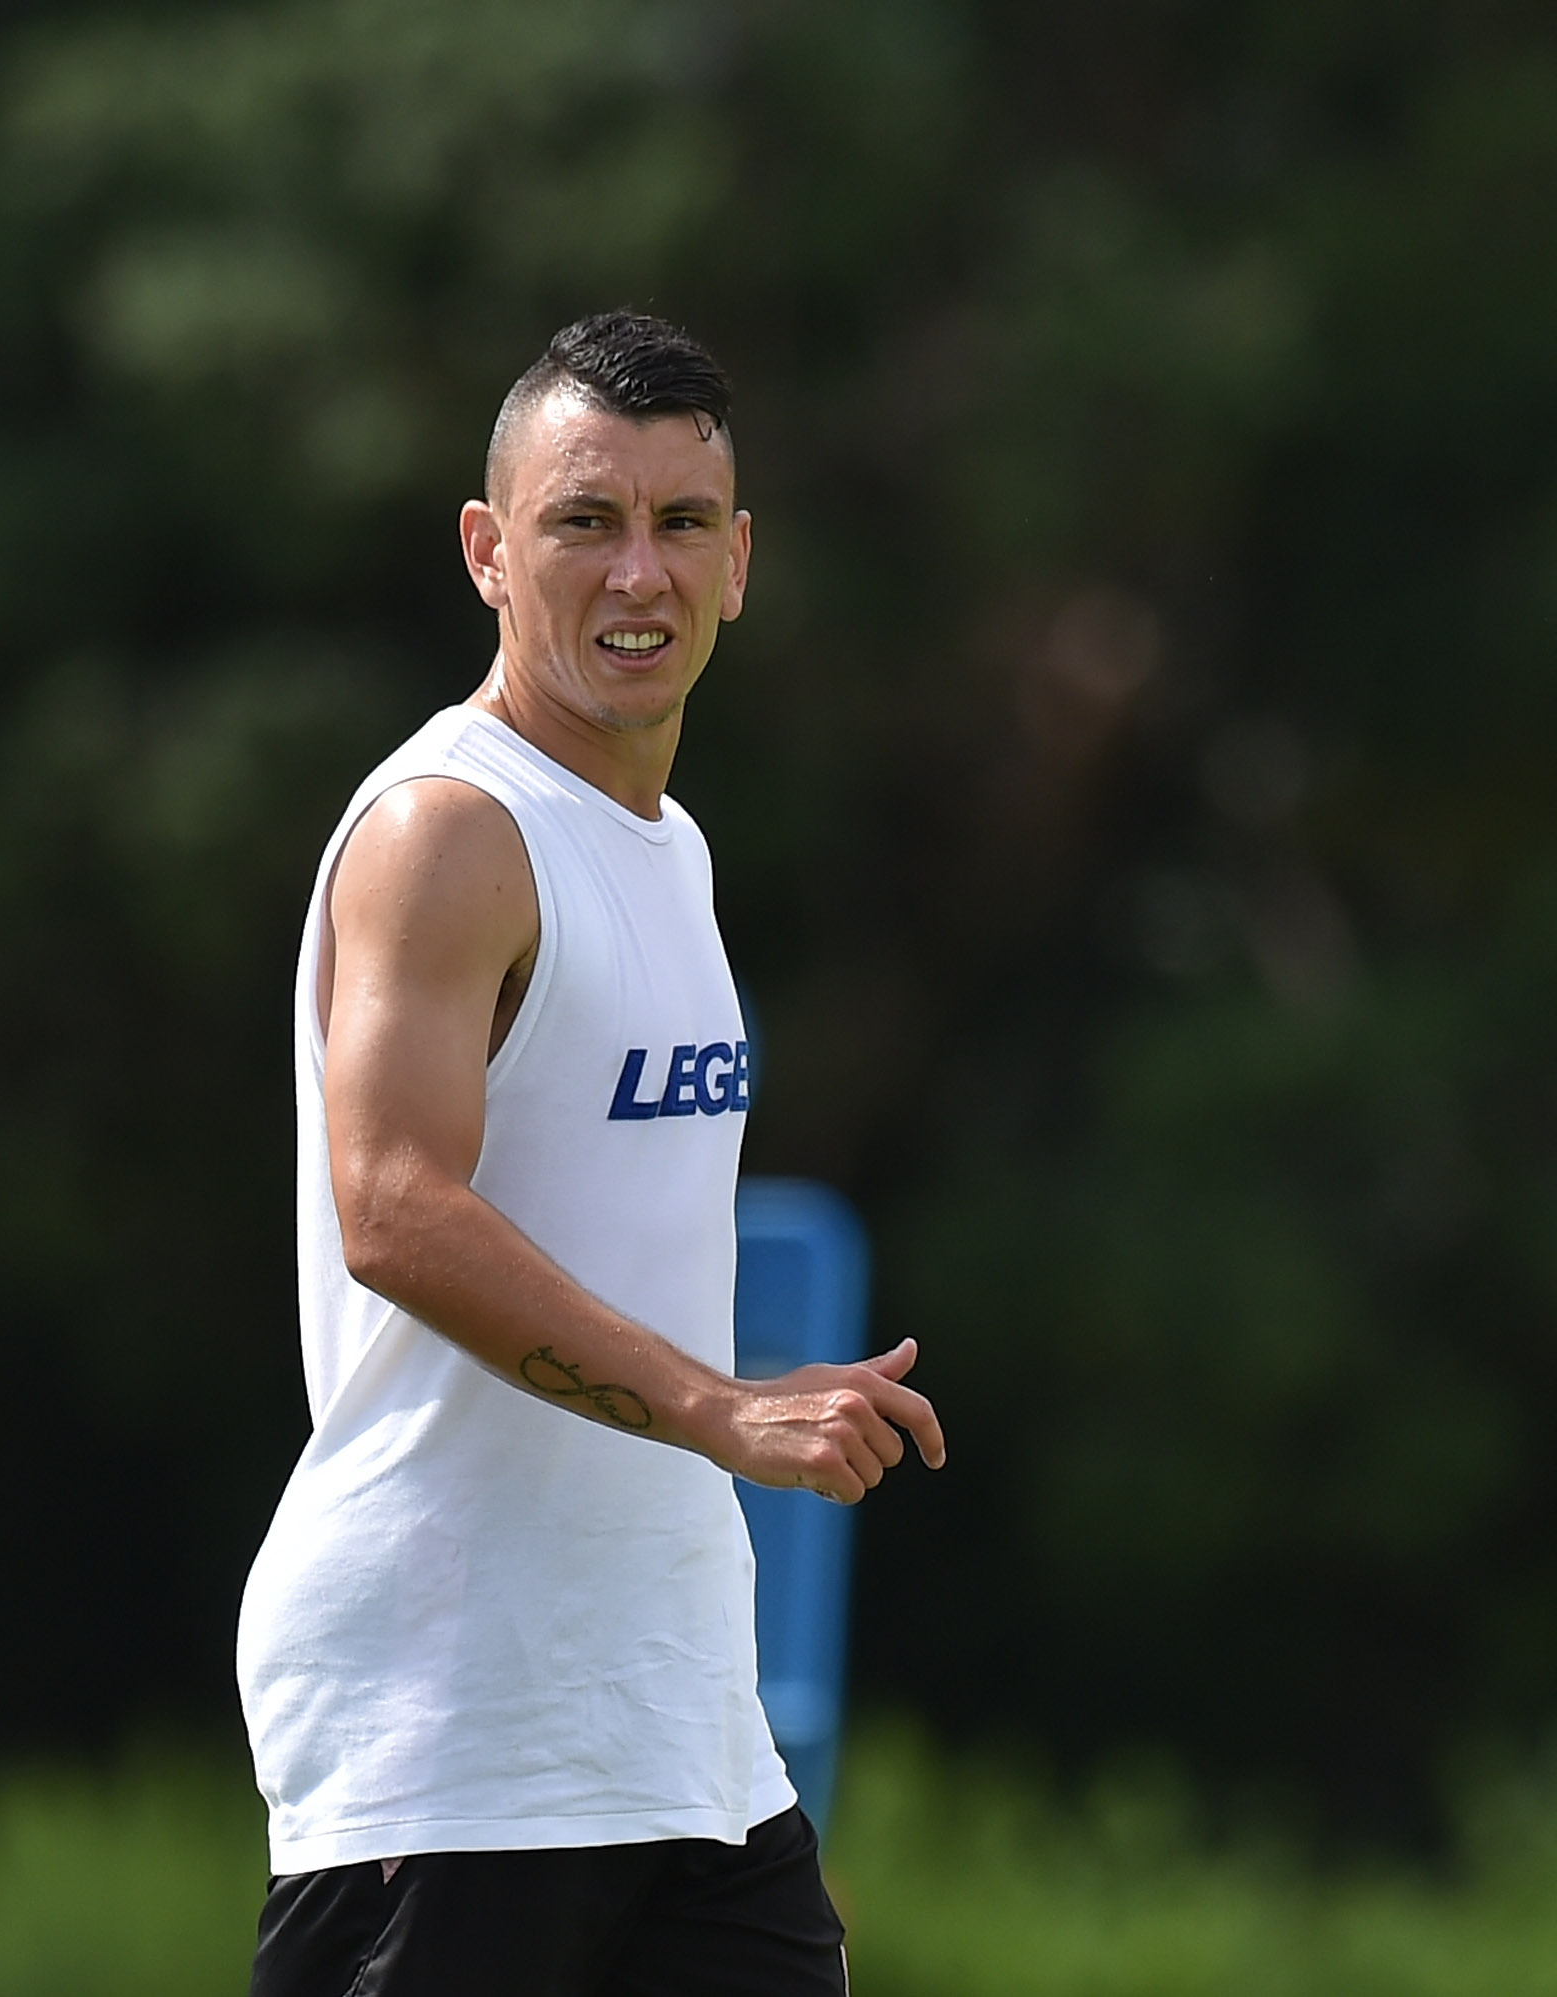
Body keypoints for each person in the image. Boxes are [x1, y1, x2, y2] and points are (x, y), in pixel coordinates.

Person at [236, 311, 947, 1997]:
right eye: (585, 520)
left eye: (681, 522)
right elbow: (394, 1211)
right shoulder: (449, 831)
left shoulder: (667, 844)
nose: (642, 572)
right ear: (490, 551)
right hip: (455, 1725)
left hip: (677, 1728)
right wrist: (725, 1404)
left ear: (742, 560)